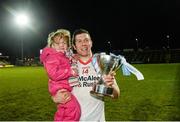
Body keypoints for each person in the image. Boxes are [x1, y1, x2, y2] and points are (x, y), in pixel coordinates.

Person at [52, 29, 120, 121]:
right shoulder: (67, 65)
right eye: (79, 41)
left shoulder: (101, 63)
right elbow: (55, 86)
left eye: (86, 40)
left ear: (91, 43)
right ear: (74, 46)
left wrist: (110, 87)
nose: (83, 44)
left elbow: (116, 95)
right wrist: (54, 98)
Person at [40, 29, 81, 121]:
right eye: (58, 43)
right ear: (52, 45)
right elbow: (53, 74)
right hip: (60, 89)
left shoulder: (62, 56)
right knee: (74, 110)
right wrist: (69, 72)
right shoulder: (52, 56)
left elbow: (69, 58)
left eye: (64, 43)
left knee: (63, 111)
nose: (62, 45)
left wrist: (74, 57)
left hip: (62, 88)